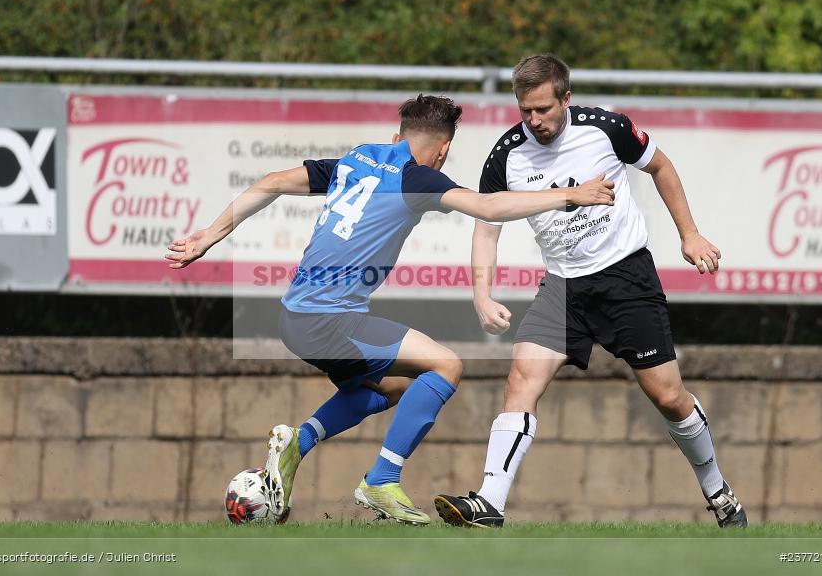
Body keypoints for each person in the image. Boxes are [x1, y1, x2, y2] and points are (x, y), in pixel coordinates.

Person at [165, 94, 615, 524]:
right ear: (442, 150)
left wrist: (207, 236)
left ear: (397, 134)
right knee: (447, 366)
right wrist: (571, 195)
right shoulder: (415, 176)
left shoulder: (357, 158)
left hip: (295, 318)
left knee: (392, 387)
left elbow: (273, 182)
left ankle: (296, 443)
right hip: (330, 322)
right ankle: (382, 480)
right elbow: (486, 205)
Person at [434, 55, 748, 529]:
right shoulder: (507, 154)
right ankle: (491, 502)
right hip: (562, 287)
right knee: (521, 379)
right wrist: (482, 294)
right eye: (525, 111)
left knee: (668, 397)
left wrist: (689, 234)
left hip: (626, 279)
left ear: (566, 98)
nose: (534, 120)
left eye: (543, 109)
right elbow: (487, 223)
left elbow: (660, 166)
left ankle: (719, 492)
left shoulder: (606, 128)